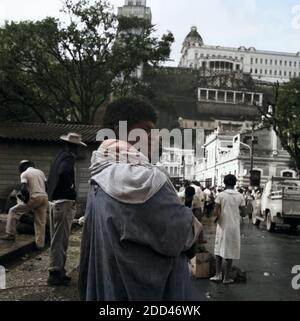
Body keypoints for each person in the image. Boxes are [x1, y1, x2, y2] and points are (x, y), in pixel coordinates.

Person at [79, 97, 202, 301]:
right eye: (146, 130)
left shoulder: (98, 175)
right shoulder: (147, 180)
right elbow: (186, 240)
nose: (154, 137)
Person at [47, 133, 87, 286]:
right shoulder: (68, 157)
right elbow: (64, 173)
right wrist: (71, 189)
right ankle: (55, 272)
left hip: (55, 201)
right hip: (63, 202)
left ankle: (58, 270)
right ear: (74, 146)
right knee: (60, 239)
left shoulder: (58, 157)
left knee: (56, 238)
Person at [1, 161, 48, 249]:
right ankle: (40, 245)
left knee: (13, 211)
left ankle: (10, 234)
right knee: (40, 222)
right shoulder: (40, 172)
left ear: (24, 166)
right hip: (44, 197)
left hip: (35, 197)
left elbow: (24, 189)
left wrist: (26, 200)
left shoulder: (25, 174)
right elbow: (46, 185)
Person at [210, 174, 246, 284]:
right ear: (234, 183)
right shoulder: (240, 196)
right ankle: (226, 278)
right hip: (234, 227)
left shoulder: (220, 195)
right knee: (230, 250)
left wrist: (216, 218)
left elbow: (215, 212)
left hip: (222, 226)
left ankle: (218, 275)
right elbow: (244, 214)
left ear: (225, 183)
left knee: (218, 249)